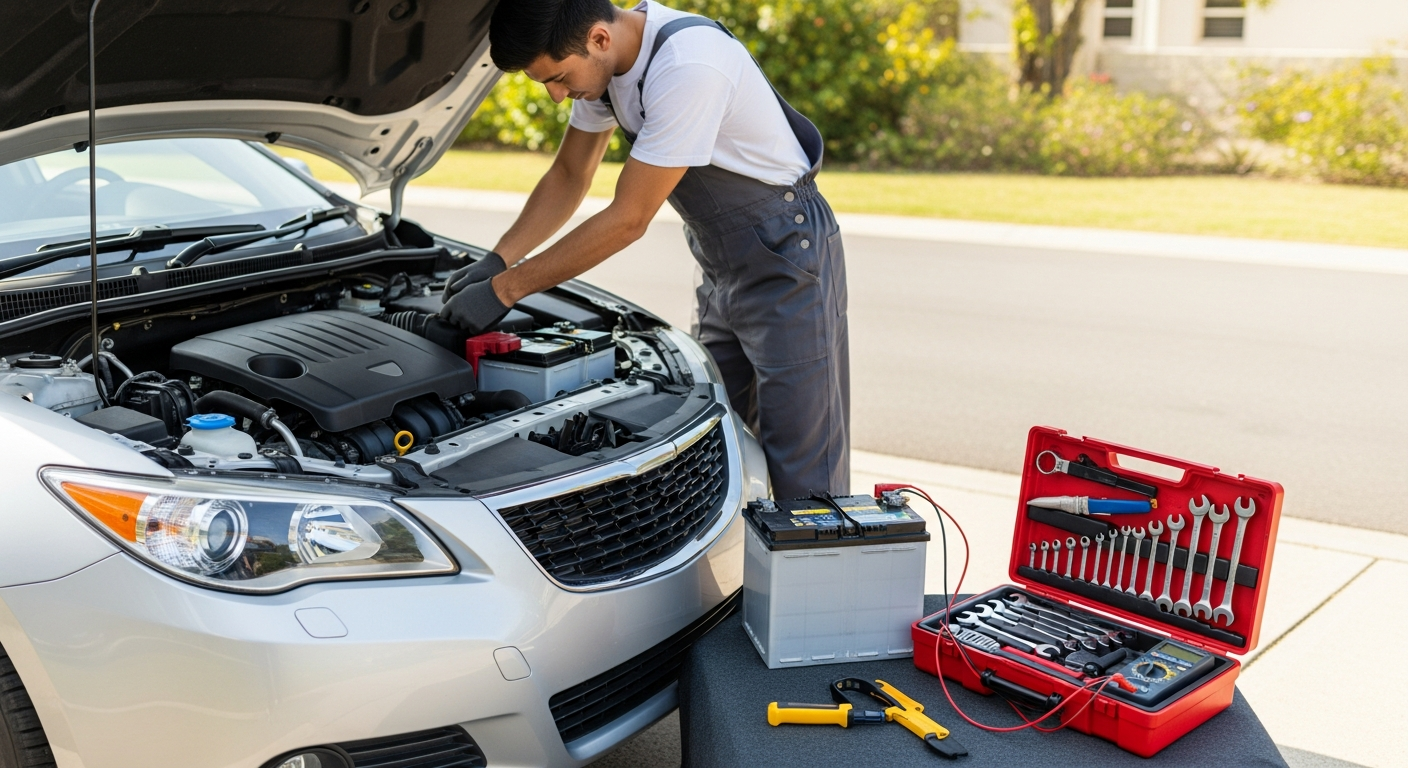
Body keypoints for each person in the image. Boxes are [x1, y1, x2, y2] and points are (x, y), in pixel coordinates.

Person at [440, 0, 849, 499]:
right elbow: (571, 175)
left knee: (801, 458)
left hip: (786, 253)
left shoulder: (688, 66)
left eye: (558, 78)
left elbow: (627, 220)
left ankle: (817, 569)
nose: (554, 95)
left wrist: (504, 291)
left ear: (599, 39)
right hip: (723, 263)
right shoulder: (602, 70)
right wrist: (499, 258)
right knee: (720, 436)